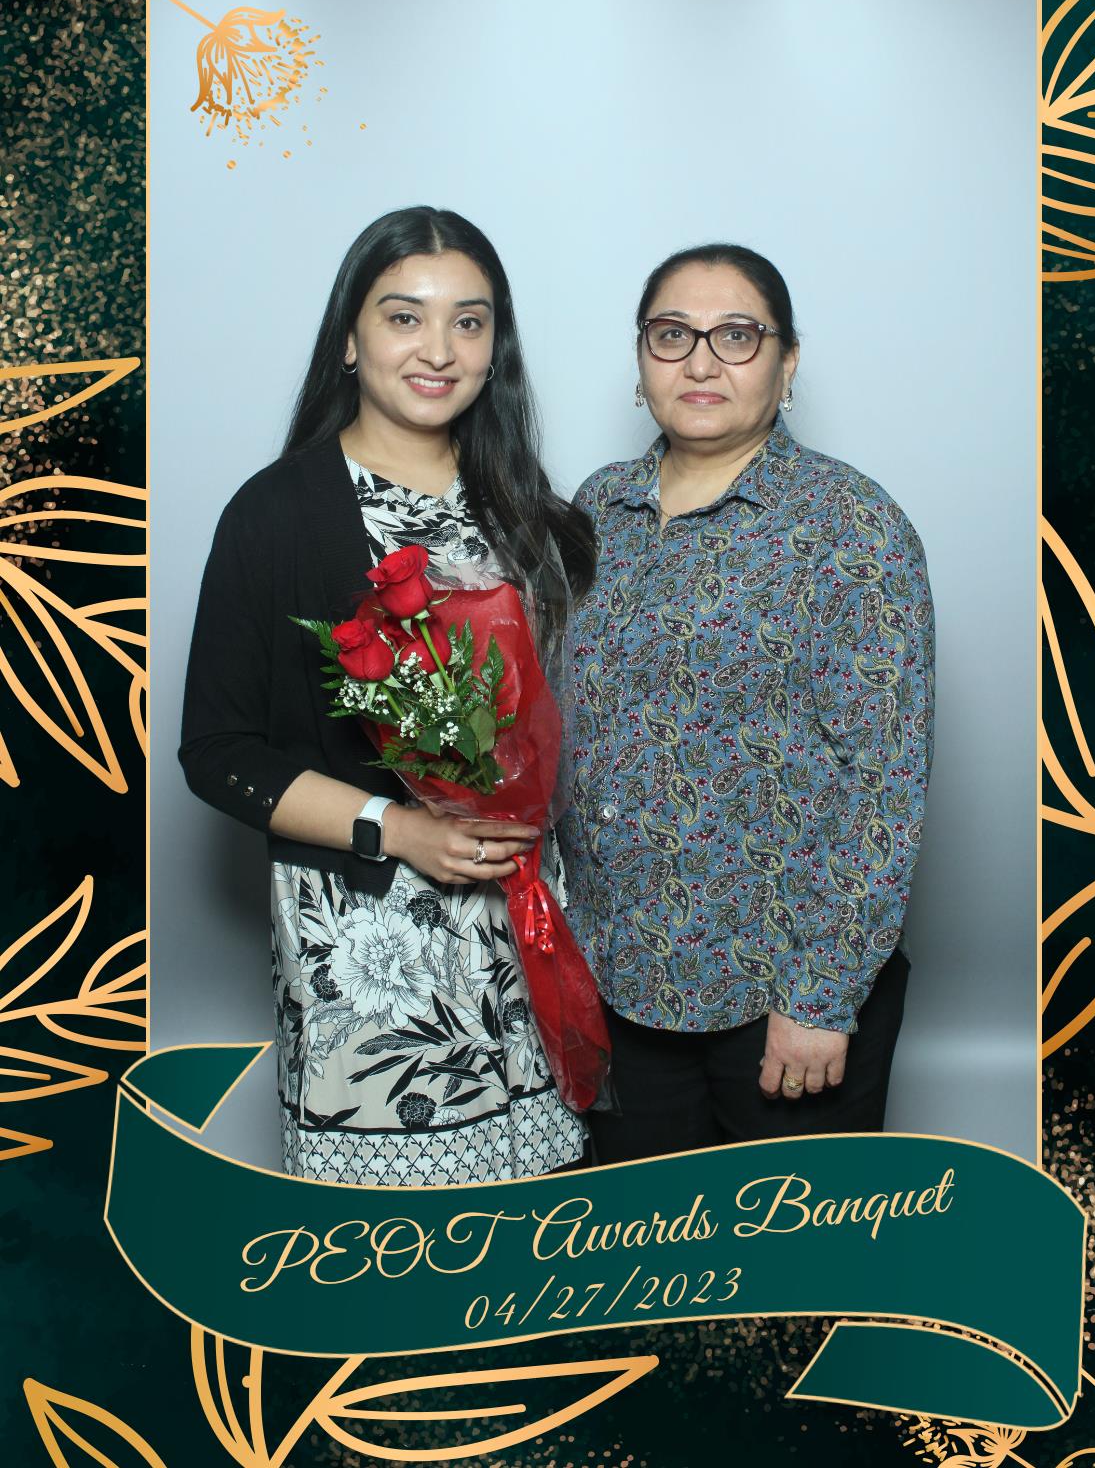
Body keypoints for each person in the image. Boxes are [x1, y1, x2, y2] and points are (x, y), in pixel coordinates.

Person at [179, 206, 596, 1186]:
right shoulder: (277, 514)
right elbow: (219, 752)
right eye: (405, 317)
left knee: (540, 1230)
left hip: (528, 925)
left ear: (495, 348)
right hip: (370, 962)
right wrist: (396, 828)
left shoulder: (531, 511)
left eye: (469, 321)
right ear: (350, 339)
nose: (438, 349)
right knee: (389, 1247)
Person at [556, 243, 935, 1163]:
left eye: (736, 335)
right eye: (671, 335)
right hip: (617, 978)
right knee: (640, 1244)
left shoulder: (851, 524)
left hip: (778, 1001)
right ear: (641, 358)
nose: (700, 362)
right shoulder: (596, 508)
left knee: (786, 1249)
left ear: (786, 362)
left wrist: (821, 998)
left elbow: (885, 780)